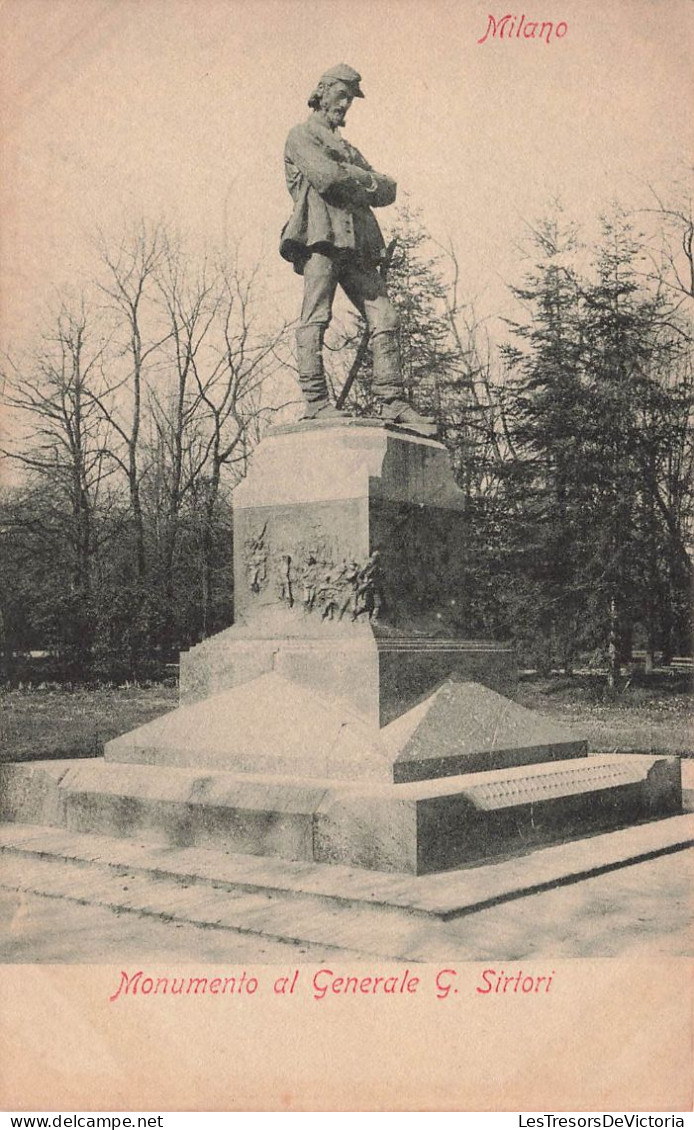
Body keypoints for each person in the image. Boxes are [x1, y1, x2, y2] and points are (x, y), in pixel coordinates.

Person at [280, 64, 436, 437]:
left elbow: (389, 189)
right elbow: (327, 178)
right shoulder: (300, 135)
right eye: (342, 95)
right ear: (322, 91)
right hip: (320, 239)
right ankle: (316, 402)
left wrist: (355, 176)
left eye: (350, 98)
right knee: (316, 317)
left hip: (357, 246)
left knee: (386, 316)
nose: (346, 104)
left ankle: (392, 400)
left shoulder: (346, 147)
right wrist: (362, 178)